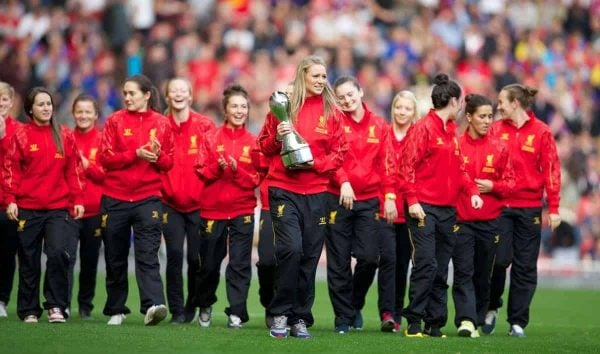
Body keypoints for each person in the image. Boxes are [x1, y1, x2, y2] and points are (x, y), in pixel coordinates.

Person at [258, 55, 348, 339]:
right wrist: (277, 136)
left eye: (324, 76)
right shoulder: (282, 105)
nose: (321, 81)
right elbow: (263, 145)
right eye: (316, 76)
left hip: (318, 192)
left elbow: (340, 153)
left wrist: (316, 165)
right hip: (284, 188)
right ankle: (281, 313)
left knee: (309, 256)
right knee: (291, 250)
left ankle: (300, 317)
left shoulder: (332, 111)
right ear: (303, 77)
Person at [399, 74, 483, 338]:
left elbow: (459, 169)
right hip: (424, 207)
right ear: (455, 101)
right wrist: (412, 200)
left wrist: (472, 191)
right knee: (425, 264)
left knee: (440, 266)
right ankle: (414, 321)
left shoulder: (450, 133)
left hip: (448, 209)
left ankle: (435, 323)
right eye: (460, 102)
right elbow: (406, 167)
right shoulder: (423, 128)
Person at [484, 84, 561, 338]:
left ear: (515, 103)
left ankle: (517, 322)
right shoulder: (495, 129)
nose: (498, 106)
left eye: (502, 102)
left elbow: (551, 170)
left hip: (530, 208)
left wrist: (555, 207)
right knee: (498, 259)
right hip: (500, 206)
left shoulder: (542, 132)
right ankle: (492, 305)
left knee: (525, 266)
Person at [3, 87, 85, 323]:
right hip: (27, 207)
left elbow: (74, 170)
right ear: (30, 109)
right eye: (41, 104)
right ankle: (28, 309)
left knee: (59, 254)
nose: (46, 108)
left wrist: (78, 199)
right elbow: (11, 170)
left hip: (58, 208)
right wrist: (10, 200)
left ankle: (56, 306)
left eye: (48, 104)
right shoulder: (21, 135)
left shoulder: (65, 135)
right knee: (28, 259)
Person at [98, 74, 174, 326]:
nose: (128, 97)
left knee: (148, 254)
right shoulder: (114, 121)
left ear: (147, 95)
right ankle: (116, 309)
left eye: (132, 93)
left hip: (148, 198)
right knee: (115, 255)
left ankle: (153, 305)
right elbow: (105, 158)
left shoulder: (162, 123)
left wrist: (157, 155)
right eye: (125, 94)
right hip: (115, 197)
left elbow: (169, 162)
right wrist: (135, 154)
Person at [326, 76, 396, 334]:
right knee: (339, 262)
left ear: (360, 92)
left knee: (369, 259)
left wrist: (389, 197)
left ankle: (354, 303)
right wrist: (343, 181)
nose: (346, 100)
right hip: (336, 198)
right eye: (341, 96)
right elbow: (332, 157)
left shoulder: (379, 124)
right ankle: (342, 318)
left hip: (368, 201)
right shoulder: (333, 123)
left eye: (350, 94)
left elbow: (387, 165)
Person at [354, 90, 420, 334]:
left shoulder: (419, 136)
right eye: (398, 107)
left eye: (407, 109)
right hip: (382, 206)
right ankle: (386, 312)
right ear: (393, 109)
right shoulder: (383, 132)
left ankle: (397, 312)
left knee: (402, 263)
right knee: (386, 259)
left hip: (410, 209)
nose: (402, 112)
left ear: (414, 113)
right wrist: (387, 198)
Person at [193, 84, 259, 329]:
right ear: (225, 109)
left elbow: (255, 178)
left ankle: (237, 312)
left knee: (240, 264)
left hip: (242, 210)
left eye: (243, 106)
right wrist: (218, 168)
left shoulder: (253, 142)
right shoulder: (210, 138)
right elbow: (201, 171)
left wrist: (235, 170)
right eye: (234, 106)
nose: (239, 111)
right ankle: (205, 304)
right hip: (212, 211)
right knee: (209, 265)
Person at [453, 93, 514, 337]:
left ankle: (478, 317)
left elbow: (511, 183)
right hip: (461, 220)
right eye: (482, 116)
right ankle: (466, 320)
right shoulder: (456, 145)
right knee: (463, 271)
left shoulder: (500, 147)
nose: (488, 120)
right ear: (469, 117)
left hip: (490, 221)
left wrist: (493, 187)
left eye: (490, 116)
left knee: (482, 274)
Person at [161, 78, 215, 324]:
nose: (179, 94)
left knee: (195, 259)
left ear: (191, 96)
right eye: (174, 91)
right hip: (169, 203)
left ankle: (192, 303)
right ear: (167, 97)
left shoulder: (205, 126)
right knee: (173, 255)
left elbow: (214, 160)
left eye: (183, 90)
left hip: (199, 204)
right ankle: (177, 311)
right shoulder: (160, 126)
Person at [254, 83, 295, 329]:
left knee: (294, 257)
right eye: (285, 94)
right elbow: (262, 147)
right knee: (267, 260)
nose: (288, 98)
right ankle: (269, 301)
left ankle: (289, 311)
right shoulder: (273, 118)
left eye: (292, 94)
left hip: (301, 198)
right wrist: (277, 136)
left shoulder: (312, 118)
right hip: (272, 199)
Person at [67, 94, 106, 320]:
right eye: (79, 111)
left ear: (95, 115)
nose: (83, 116)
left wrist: (86, 164)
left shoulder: (102, 140)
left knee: (90, 261)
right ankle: (61, 304)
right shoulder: (65, 138)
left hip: (94, 210)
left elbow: (106, 174)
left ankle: (85, 306)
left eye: (87, 112)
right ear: (73, 114)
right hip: (70, 209)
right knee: (66, 258)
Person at [0, 82, 23, 318]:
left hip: (8, 201)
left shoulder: (19, 130)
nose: (0, 103)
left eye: (4, 99)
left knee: (7, 253)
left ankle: (2, 299)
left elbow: (17, 164)